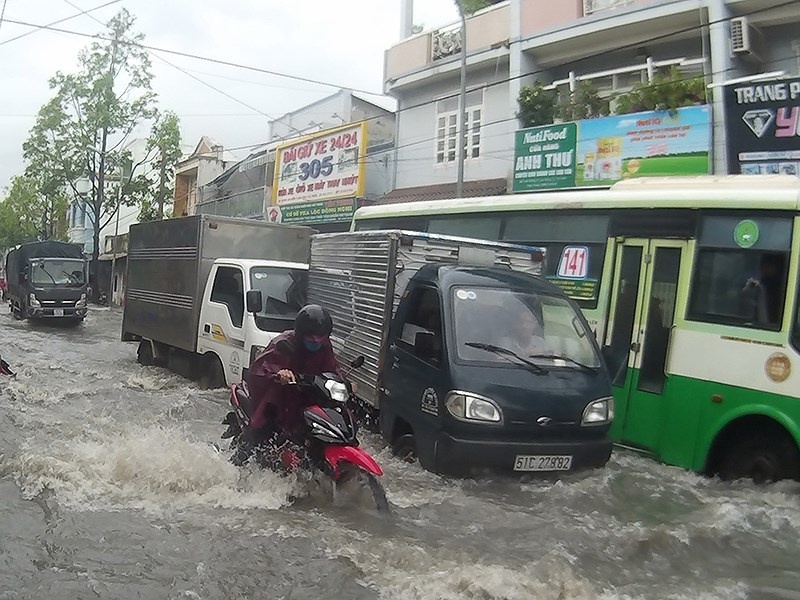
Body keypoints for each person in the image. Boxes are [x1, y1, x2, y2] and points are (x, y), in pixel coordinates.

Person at [231, 304, 343, 467]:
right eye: (311, 337)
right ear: (301, 334)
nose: (316, 341)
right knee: (262, 431)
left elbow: (332, 367)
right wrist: (279, 373)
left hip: (309, 398)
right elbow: (259, 370)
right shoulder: (283, 343)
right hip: (281, 399)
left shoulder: (324, 346)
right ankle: (235, 465)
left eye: (320, 337)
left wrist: (344, 381)